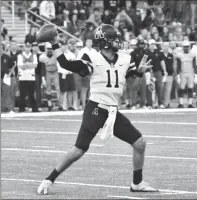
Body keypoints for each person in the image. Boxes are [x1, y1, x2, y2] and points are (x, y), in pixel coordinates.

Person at [37, 24, 157, 194]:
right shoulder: (92, 56)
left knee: (139, 143)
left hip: (113, 111)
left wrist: (139, 73)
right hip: (96, 109)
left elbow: (133, 88)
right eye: (114, 39)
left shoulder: (125, 59)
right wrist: (55, 43)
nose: (118, 41)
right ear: (104, 42)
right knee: (79, 149)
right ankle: (49, 179)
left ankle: (137, 183)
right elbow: (66, 64)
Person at [175, 41, 197, 108]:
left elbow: (194, 65)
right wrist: (178, 75)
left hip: (190, 73)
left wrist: (196, 75)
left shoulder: (192, 54)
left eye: (187, 47)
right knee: (181, 88)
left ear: (189, 47)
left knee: (190, 88)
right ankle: (181, 103)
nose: (186, 48)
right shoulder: (179, 55)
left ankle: (190, 103)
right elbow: (178, 66)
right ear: (183, 47)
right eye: (185, 47)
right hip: (183, 73)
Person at [17, 43, 38, 112]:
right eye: (26, 47)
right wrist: (29, 65)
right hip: (22, 77)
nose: (27, 48)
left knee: (31, 94)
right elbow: (20, 66)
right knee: (22, 94)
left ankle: (34, 108)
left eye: (29, 47)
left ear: (30, 48)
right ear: (24, 48)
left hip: (31, 77)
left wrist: (26, 65)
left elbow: (35, 65)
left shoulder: (34, 55)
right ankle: (21, 108)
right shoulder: (20, 56)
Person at [39, 42, 60, 111]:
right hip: (47, 73)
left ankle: (60, 104)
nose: (49, 50)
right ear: (45, 49)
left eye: (51, 49)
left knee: (58, 88)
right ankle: (49, 105)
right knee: (48, 89)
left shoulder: (55, 55)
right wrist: (43, 78)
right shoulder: (42, 57)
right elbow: (42, 68)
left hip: (55, 72)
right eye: (48, 49)